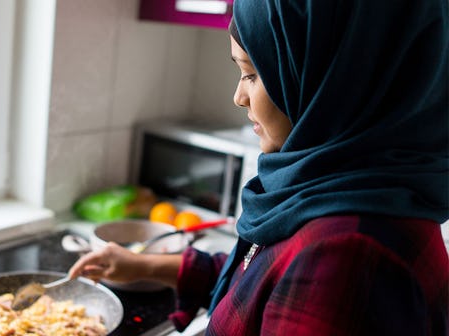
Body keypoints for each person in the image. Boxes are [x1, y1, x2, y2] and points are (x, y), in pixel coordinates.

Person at [69, 0, 449, 334]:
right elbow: (263, 282)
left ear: (338, 78)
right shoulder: (339, 192)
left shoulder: (344, 259)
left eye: (251, 73)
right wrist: (146, 266)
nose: (238, 97)